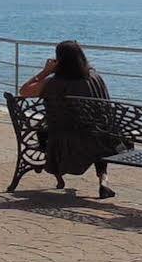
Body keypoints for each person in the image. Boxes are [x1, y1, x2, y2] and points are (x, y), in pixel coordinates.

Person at [19, 40, 122, 199]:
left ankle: (59, 175)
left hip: (62, 140)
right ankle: (103, 181)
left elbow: (24, 91)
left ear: (59, 60)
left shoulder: (54, 82)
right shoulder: (95, 78)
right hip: (98, 141)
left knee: (44, 130)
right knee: (98, 132)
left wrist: (45, 71)